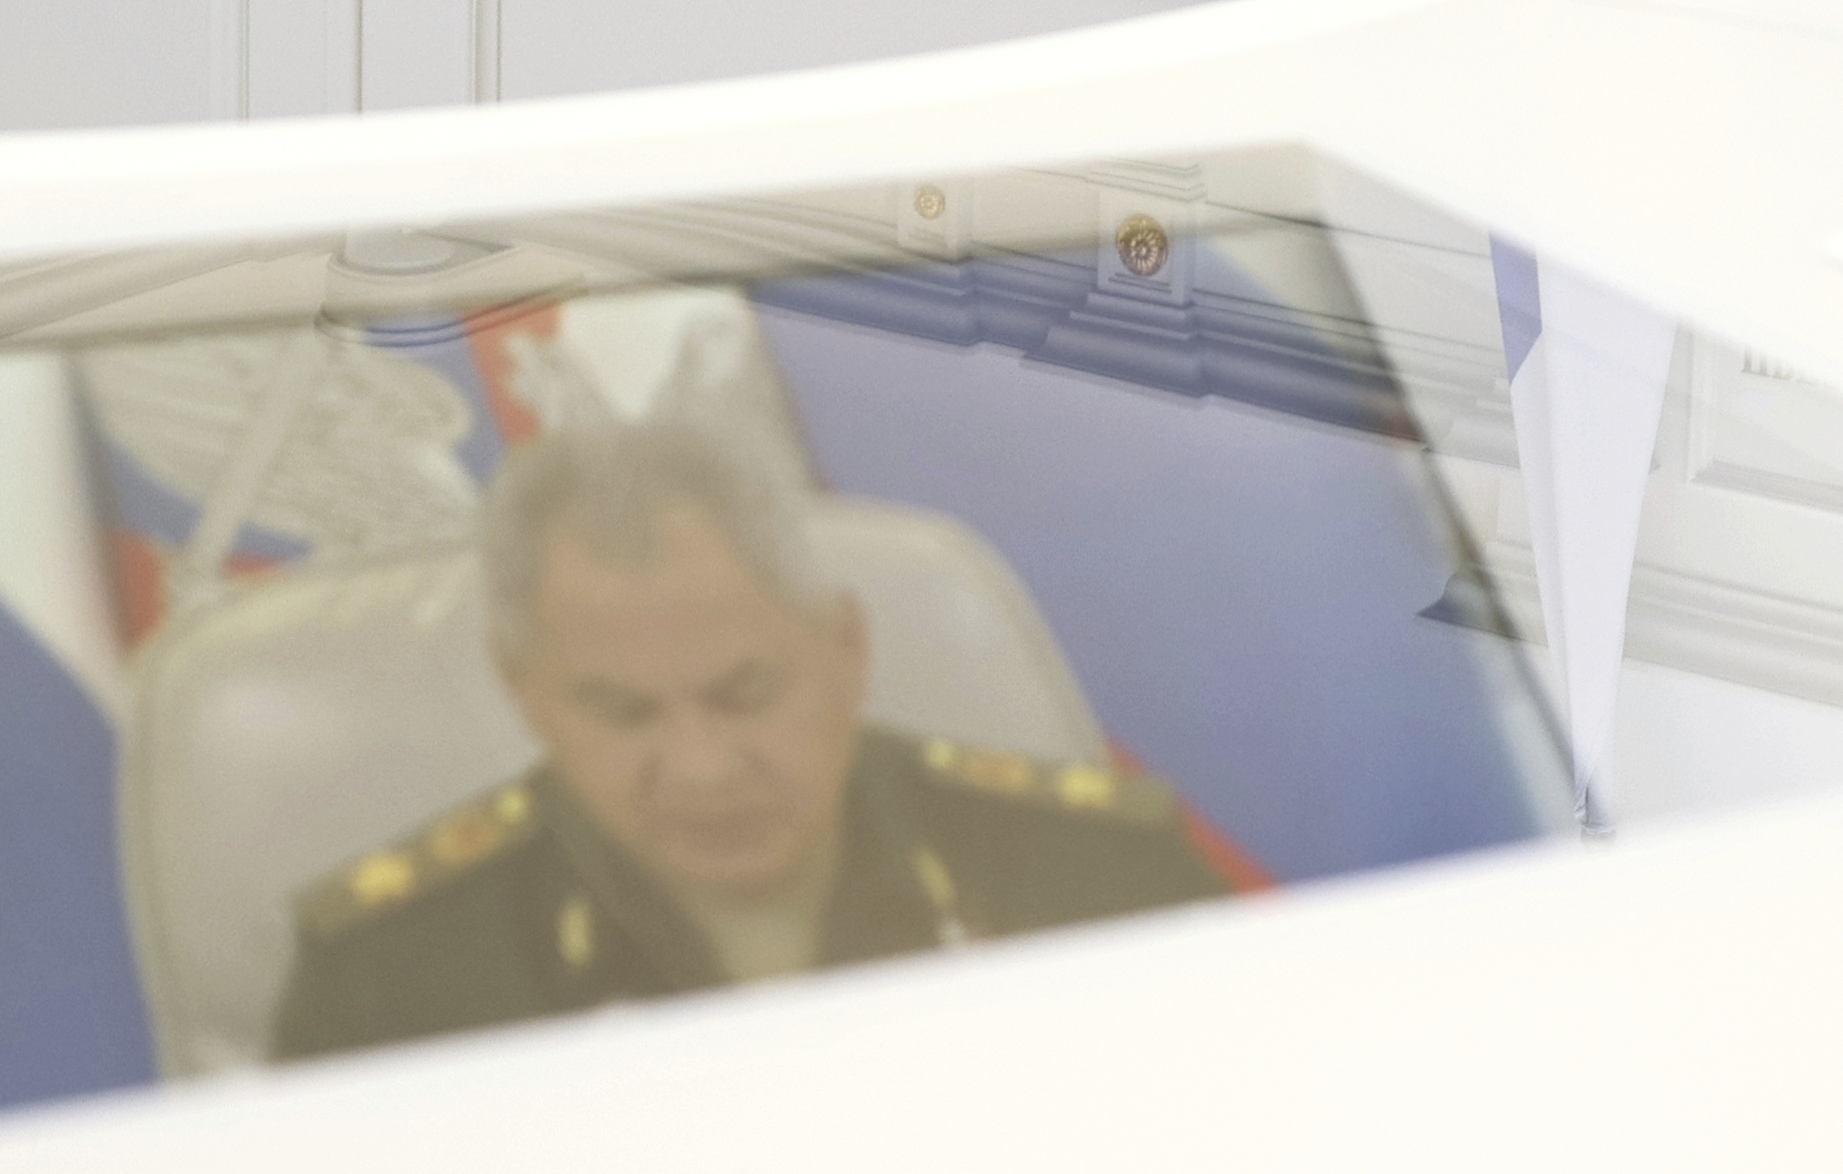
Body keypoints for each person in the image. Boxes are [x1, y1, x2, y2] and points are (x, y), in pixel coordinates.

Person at [266, 402, 1229, 1060]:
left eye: (747, 691)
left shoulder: (1102, 879)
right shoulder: (391, 985)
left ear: (843, 647)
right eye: (622, 712)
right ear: (526, 694)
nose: (702, 767)